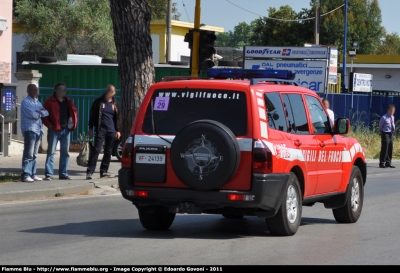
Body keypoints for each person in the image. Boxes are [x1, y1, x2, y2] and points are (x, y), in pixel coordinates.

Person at [42, 83, 78, 180]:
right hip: (54, 129)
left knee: (65, 152)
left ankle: (63, 174)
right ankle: (49, 174)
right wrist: (49, 125)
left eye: (64, 89)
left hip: (65, 130)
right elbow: (44, 114)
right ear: (56, 90)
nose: (63, 91)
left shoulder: (68, 101)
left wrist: (71, 124)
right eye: (61, 89)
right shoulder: (49, 101)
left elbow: (73, 112)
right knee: (51, 152)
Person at [86, 85, 122, 179]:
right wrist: (90, 128)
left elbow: (118, 117)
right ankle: (90, 171)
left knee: (108, 152)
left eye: (113, 91)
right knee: (96, 150)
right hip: (101, 129)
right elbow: (93, 115)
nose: (112, 93)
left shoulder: (115, 103)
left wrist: (118, 130)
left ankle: (104, 171)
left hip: (112, 130)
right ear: (107, 91)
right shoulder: (98, 102)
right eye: (111, 91)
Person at [20, 84, 49, 182]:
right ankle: (25, 174)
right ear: (28, 91)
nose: (35, 92)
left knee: (35, 154)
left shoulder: (38, 102)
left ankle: (33, 174)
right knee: (29, 152)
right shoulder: (25, 102)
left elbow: (46, 113)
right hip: (30, 129)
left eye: (36, 90)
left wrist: (40, 112)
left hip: (38, 130)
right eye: (33, 90)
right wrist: (40, 112)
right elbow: (32, 114)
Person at [379, 104, 396, 168]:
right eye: (391, 110)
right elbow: (380, 125)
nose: (392, 112)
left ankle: (388, 162)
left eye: (393, 111)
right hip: (385, 133)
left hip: (391, 133)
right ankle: (382, 162)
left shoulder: (392, 117)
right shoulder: (384, 117)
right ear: (388, 110)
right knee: (385, 147)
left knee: (390, 147)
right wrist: (380, 131)